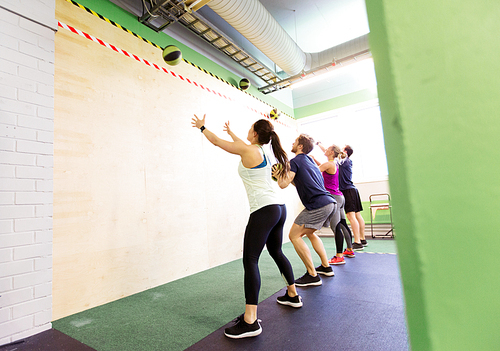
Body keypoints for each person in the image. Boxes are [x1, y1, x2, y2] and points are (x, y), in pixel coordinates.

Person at [191, 114, 301, 339]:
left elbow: (217, 143)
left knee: (250, 260)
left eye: (249, 129)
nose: (247, 132)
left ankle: (250, 320)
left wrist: (203, 128)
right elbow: (240, 144)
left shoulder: (250, 151)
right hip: (279, 208)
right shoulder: (264, 152)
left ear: (255, 134)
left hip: (263, 210)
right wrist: (231, 132)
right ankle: (293, 294)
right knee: (276, 251)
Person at [273, 134, 335, 287]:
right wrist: (286, 177)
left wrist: (278, 175)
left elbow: (283, 184)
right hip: (329, 203)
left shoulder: (294, 161)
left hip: (318, 205)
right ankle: (326, 267)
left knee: (294, 235)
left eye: (295, 142)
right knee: (309, 232)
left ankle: (312, 275)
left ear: (300, 146)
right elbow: (299, 182)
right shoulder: (310, 162)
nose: (292, 143)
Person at [313, 142, 356, 265]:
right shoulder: (335, 163)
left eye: (327, 149)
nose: (325, 150)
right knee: (343, 224)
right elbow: (323, 166)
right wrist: (315, 159)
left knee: (336, 226)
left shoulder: (329, 164)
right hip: (340, 197)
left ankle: (339, 256)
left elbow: (315, 171)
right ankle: (349, 249)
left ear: (332, 152)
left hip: (334, 198)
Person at [338, 145, 367, 251]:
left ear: (345, 151)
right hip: (352, 190)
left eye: (342, 148)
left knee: (351, 216)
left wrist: (319, 144)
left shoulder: (344, 160)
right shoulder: (347, 162)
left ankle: (357, 242)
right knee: (357, 215)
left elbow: (334, 153)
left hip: (348, 191)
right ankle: (362, 239)